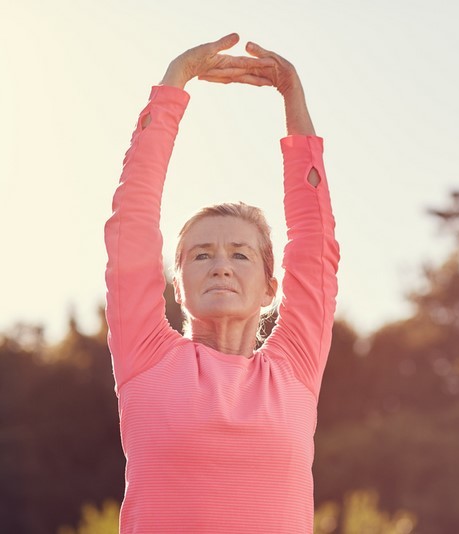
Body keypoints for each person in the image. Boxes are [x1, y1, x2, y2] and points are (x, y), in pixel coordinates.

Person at [104, 33, 339, 533]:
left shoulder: (294, 368)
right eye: (202, 254)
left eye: (240, 253)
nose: (222, 265)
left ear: (272, 286)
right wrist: (173, 84)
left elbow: (315, 243)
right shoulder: (146, 355)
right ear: (178, 283)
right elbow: (133, 219)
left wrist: (293, 100)